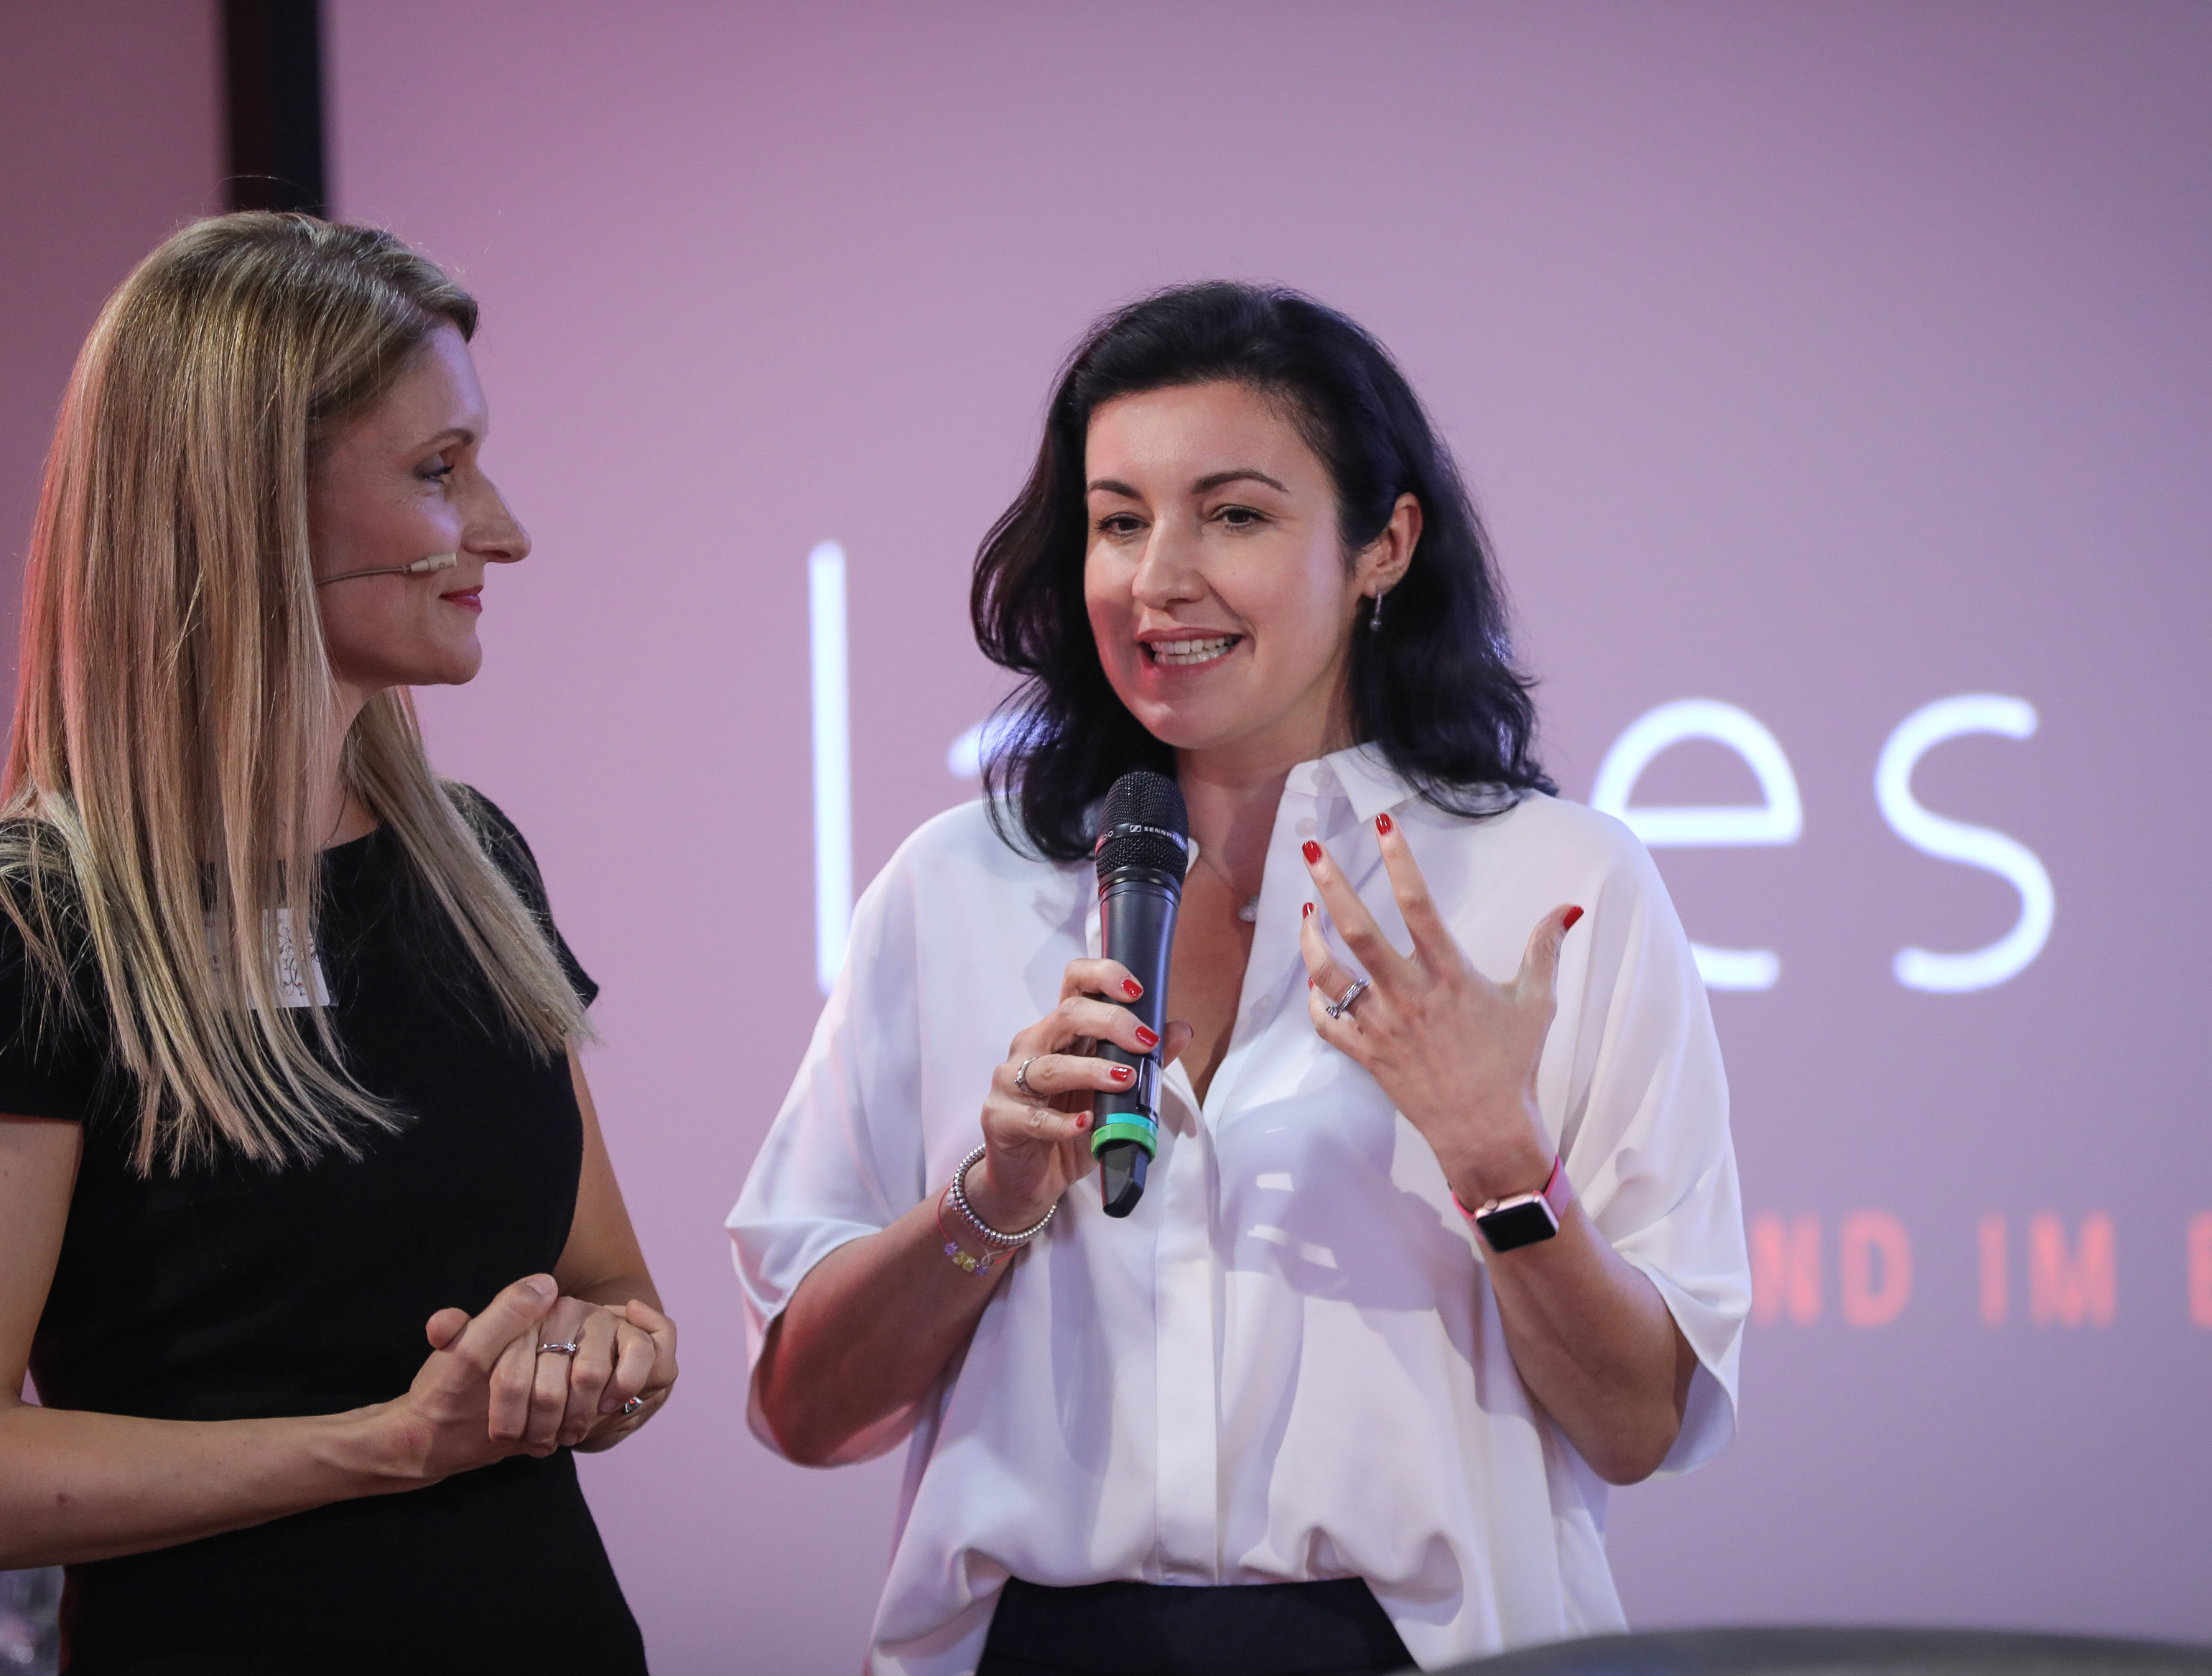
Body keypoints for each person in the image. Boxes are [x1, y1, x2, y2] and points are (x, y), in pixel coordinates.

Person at [732, 282, 1748, 1676]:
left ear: (1384, 546)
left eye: (1235, 515)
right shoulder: (952, 886)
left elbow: (1637, 1427)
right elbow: (806, 1411)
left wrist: (1497, 1156)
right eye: (1118, 521)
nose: (1158, 577)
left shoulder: (1560, 886)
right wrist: (993, 1196)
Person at [0, 213, 675, 1673]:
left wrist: (610, 1356)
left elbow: (612, 1287)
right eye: (439, 472)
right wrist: (378, 1448)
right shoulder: (39, 924)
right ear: (245, 509)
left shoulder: (473, 862)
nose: (503, 529)